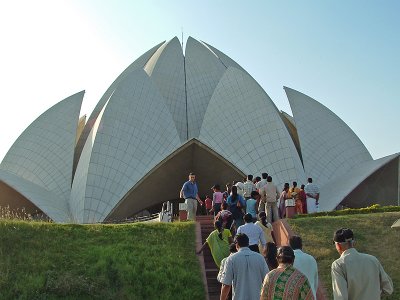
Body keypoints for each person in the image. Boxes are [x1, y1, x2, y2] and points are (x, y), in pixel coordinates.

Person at [331, 228, 393, 300]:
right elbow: (388, 289)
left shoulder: (338, 265)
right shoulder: (373, 260)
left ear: (338, 245)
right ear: (353, 243)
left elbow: (340, 297)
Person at [219, 233, 269, 300]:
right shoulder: (260, 258)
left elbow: (226, 285)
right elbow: (267, 281)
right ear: (248, 244)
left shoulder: (231, 259)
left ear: (236, 244)